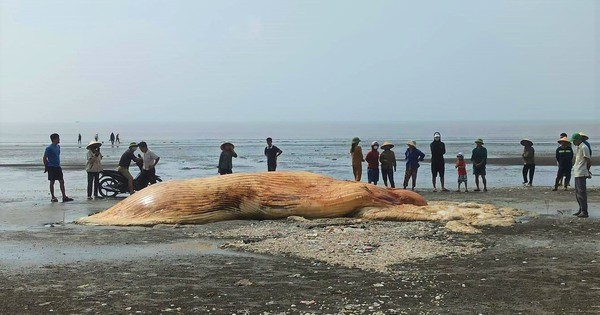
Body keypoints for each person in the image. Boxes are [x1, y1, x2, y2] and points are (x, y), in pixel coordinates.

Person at [43, 133, 74, 202]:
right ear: (54, 139)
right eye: (58, 138)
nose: (59, 139)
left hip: (58, 166)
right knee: (52, 182)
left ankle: (64, 196)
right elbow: (45, 157)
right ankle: (53, 197)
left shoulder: (58, 147)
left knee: (61, 181)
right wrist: (46, 166)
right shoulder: (49, 148)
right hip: (51, 167)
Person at [571, 133, 592, 218]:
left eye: (574, 141)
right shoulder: (578, 147)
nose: (573, 143)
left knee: (582, 192)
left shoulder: (584, 147)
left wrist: (587, 170)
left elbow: (588, 160)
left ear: (578, 140)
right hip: (577, 172)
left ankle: (584, 211)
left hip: (581, 173)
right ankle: (580, 209)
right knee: (577, 193)